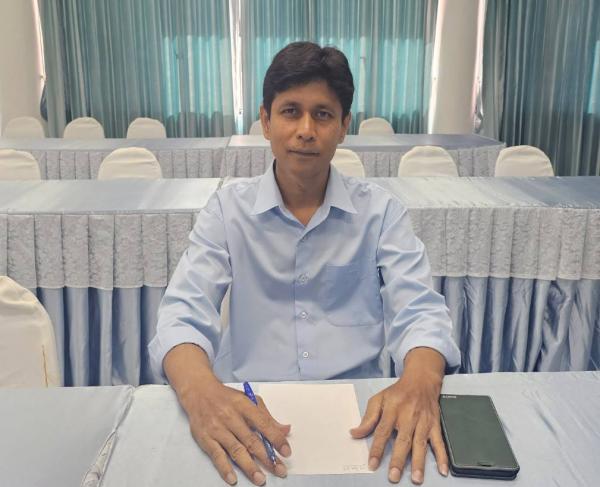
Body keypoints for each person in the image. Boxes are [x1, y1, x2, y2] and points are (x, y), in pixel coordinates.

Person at [149, 41, 460, 486]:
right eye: (290, 111)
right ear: (265, 121)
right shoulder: (227, 211)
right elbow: (182, 313)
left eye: (323, 114)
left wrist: (420, 381)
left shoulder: (381, 213)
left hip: (360, 415)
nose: (306, 130)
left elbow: (421, 311)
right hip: (249, 407)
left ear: (344, 126)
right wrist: (201, 392)